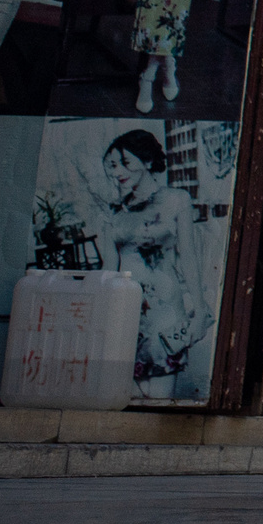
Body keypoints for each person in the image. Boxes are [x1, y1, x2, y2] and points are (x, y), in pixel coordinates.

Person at [100, 130, 211, 398]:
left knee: (160, 396)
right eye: (113, 165)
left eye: (126, 162)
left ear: (148, 162)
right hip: (125, 311)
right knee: (123, 396)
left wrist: (198, 310)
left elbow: (189, 258)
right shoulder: (114, 211)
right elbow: (108, 268)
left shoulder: (176, 200)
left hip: (165, 312)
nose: (118, 172)